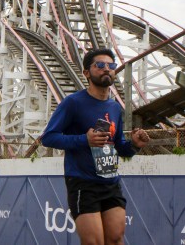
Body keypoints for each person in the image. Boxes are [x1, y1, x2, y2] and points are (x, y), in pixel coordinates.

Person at [42, 48, 150, 245]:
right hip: (83, 183)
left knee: (116, 238)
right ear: (86, 73)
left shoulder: (115, 107)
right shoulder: (73, 103)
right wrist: (84, 139)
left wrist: (135, 145)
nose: (106, 69)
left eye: (111, 66)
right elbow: (48, 137)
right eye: (100, 65)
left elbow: (119, 147)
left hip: (110, 182)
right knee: (94, 242)